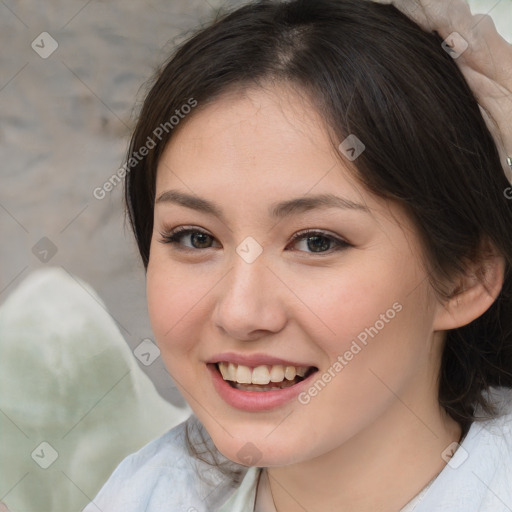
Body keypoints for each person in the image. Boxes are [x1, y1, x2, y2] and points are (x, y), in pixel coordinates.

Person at [83, 0, 512, 510]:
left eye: (316, 242)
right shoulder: (144, 496)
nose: (240, 313)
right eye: (196, 238)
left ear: (465, 276)